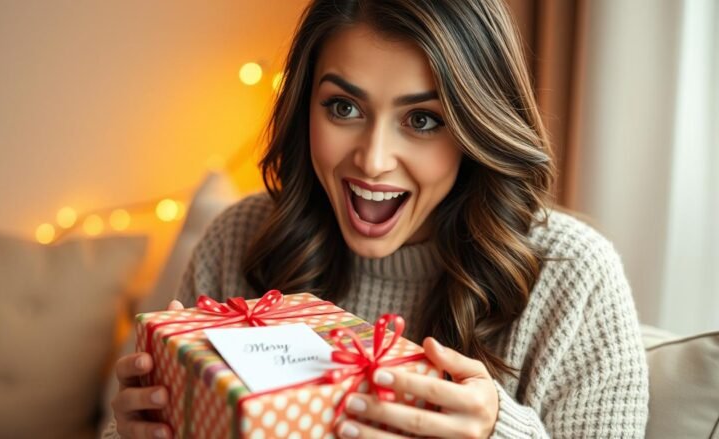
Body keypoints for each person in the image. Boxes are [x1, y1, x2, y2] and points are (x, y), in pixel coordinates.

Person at [105, 0, 649, 437]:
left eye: (422, 119)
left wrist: (498, 432)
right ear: (304, 107)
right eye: (344, 107)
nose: (372, 158)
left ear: (477, 128)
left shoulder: (574, 275)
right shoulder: (241, 239)